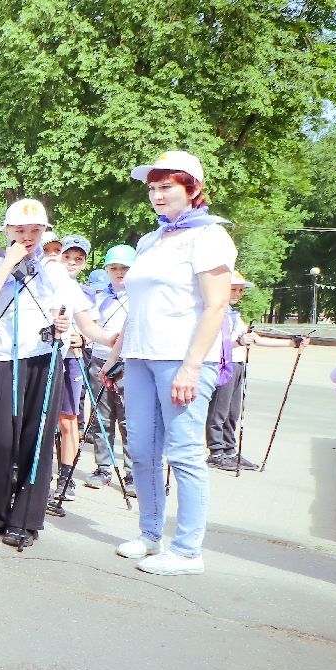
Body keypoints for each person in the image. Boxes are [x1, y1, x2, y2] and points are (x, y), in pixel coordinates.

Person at [102, 150, 235, 576]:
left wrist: (192, 367)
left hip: (182, 357)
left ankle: (187, 550)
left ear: (193, 189)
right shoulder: (150, 240)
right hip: (140, 355)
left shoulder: (210, 236)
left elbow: (216, 307)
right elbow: (137, 305)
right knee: (141, 447)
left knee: (184, 452)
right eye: (152, 188)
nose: (157, 196)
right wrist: (117, 354)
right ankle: (150, 534)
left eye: (167, 187)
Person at [0, 200, 108, 549]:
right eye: (20, 231)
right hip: (4, 358)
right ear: (6, 231)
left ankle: (26, 519)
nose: (28, 237)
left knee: (36, 441)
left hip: (45, 359)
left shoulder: (56, 270)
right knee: (1, 438)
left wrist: (109, 340)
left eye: (35, 231)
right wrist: (10, 261)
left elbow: (85, 321)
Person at [204, 273, 306, 472]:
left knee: (233, 412)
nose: (238, 294)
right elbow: (211, 345)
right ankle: (216, 453)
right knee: (219, 411)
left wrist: (291, 343)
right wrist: (238, 343)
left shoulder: (233, 314)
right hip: (223, 366)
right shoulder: (213, 313)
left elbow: (254, 338)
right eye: (233, 289)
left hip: (238, 365)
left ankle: (230, 451)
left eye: (241, 290)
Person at [83, 244, 135, 492]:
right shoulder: (99, 298)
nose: (119, 272)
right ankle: (103, 467)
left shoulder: (139, 297)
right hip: (99, 360)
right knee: (102, 417)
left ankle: (133, 472)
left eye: (125, 267)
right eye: (113, 268)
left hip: (128, 364)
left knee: (128, 419)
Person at [50, 235, 92, 504]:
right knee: (45, 419)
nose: (72, 263)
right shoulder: (49, 284)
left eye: (78, 259)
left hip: (73, 358)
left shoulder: (86, 291)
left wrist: (84, 338)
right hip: (48, 355)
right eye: (67, 257)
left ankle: (66, 475)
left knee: (68, 418)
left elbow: (91, 325)